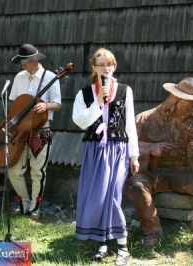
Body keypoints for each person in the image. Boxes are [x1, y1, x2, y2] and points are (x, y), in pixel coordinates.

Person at [72, 48, 140, 265]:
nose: (106, 67)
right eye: (101, 64)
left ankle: (123, 248)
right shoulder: (84, 93)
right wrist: (99, 103)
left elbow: (130, 124)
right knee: (98, 197)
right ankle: (102, 243)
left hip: (117, 150)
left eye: (109, 64)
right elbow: (80, 122)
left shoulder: (124, 90)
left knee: (113, 195)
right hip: (94, 151)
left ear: (114, 66)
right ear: (93, 67)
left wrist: (134, 155)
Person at [125, 77, 193, 249]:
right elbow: (127, 147)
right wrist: (151, 148)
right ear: (176, 100)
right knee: (135, 184)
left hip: (185, 175)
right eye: (192, 104)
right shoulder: (145, 119)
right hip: (153, 174)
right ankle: (152, 232)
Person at [8, 43, 61, 220]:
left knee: (38, 171)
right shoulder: (19, 77)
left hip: (41, 130)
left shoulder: (51, 77)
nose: (23, 66)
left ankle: (35, 207)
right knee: (14, 170)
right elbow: (14, 103)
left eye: (25, 62)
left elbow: (57, 104)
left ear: (34, 61)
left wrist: (45, 105)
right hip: (20, 131)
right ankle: (23, 202)